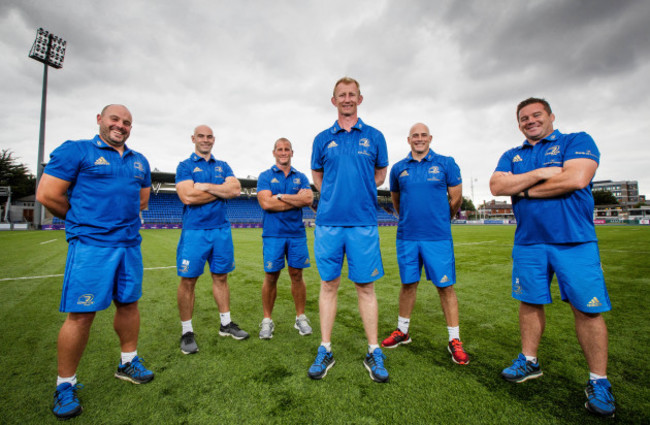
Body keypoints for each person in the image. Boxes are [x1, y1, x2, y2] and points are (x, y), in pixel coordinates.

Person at [490, 98, 615, 417]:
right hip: (529, 242)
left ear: (550, 116)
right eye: (523, 118)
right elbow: (496, 185)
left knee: (587, 310)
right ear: (518, 123)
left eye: (536, 115)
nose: (530, 121)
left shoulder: (577, 140)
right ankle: (529, 361)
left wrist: (523, 189)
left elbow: (575, 179)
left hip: (574, 240)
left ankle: (599, 381)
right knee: (529, 302)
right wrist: (543, 173)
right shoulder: (511, 154)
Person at [37, 104, 154, 420]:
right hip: (92, 246)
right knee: (81, 314)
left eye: (127, 122)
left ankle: (128, 362)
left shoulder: (140, 160)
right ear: (100, 120)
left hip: (129, 245)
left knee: (129, 304)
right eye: (115, 119)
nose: (121, 125)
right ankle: (65, 385)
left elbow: (141, 200)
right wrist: (84, 221)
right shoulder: (76, 151)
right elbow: (47, 194)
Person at [308, 77, 390, 383]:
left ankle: (373, 350)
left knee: (365, 288)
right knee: (328, 285)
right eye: (341, 95)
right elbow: (318, 175)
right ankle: (325, 348)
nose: (346, 99)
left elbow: (380, 174)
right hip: (329, 222)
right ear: (333, 101)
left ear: (360, 98)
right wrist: (332, 193)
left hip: (363, 223)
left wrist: (360, 188)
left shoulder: (375, 136)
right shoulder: (321, 139)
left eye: (351, 95)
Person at [381, 123, 470, 365]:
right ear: (408, 139)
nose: (419, 139)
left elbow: (456, 198)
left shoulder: (446, 163)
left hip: (437, 237)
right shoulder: (399, 168)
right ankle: (403, 331)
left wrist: (442, 218)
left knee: (446, 287)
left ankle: (454, 339)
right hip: (408, 236)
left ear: (430, 138)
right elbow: (397, 201)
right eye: (415, 136)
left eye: (423, 135)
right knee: (408, 284)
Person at [175, 125, 249, 355]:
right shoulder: (185, 166)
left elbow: (236, 190)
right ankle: (187, 331)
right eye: (201, 136)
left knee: (221, 277)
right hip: (195, 231)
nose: (205, 140)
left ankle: (226, 324)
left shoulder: (222, 165)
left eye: (209, 137)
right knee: (188, 281)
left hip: (221, 230)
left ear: (213, 139)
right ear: (193, 139)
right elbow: (187, 195)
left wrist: (206, 187)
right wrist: (221, 190)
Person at [256, 138, 314, 339]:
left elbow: (308, 199)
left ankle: (300, 317)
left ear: (292, 152)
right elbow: (266, 204)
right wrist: (294, 200)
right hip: (273, 234)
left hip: (296, 234)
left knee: (297, 276)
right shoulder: (265, 176)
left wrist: (279, 196)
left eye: (286, 149)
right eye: (279, 149)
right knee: (271, 276)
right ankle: (267, 321)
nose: (283, 152)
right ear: (274, 153)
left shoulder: (301, 177)